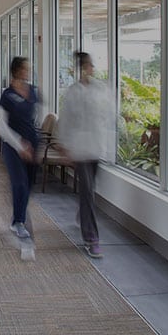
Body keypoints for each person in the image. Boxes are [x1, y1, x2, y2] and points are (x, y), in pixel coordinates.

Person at [58, 51, 115, 259]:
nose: (91, 69)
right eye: (87, 66)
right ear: (80, 69)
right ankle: (92, 239)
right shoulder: (73, 92)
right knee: (88, 191)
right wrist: (64, 146)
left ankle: (83, 216)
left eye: (91, 65)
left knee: (89, 191)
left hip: (97, 146)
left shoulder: (102, 89)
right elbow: (65, 119)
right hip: (80, 148)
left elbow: (111, 113)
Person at [0, 56, 40, 240]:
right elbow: (1, 125)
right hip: (13, 146)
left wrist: (32, 142)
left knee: (29, 184)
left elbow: (35, 115)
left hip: (32, 143)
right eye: (25, 68)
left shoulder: (33, 91)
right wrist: (19, 144)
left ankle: (18, 216)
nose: (28, 72)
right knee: (19, 183)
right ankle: (18, 222)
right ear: (16, 71)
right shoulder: (7, 95)